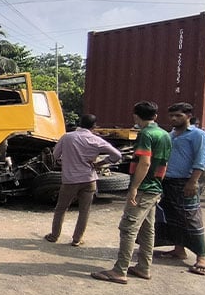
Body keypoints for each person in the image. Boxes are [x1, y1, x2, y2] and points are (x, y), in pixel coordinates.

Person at [91, 101, 171, 284]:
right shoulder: (164, 134)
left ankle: (120, 270)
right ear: (155, 116)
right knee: (147, 230)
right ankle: (143, 267)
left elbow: (145, 162)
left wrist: (134, 188)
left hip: (144, 188)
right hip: (156, 187)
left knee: (128, 229)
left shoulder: (146, 134)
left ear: (135, 116)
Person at [44, 114, 121, 246]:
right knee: (84, 210)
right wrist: (100, 163)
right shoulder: (96, 140)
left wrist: (65, 161)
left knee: (61, 208)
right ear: (94, 126)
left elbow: (55, 155)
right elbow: (117, 155)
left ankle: (54, 236)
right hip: (89, 179)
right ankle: (77, 239)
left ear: (80, 123)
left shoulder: (67, 137)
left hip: (70, 180)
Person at [154, 102, 205, 275]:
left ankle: (202, 256)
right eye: (171, 115)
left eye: (178, 115)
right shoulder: (171, 134)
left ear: (188, 116)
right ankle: (179, 249)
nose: (173, 119)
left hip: (186, 181)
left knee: (191, 217)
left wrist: (193, 182)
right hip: (169, 181)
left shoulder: (197, 135)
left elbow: (201, 160)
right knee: (172, 216)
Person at [190, 117, 205, 196]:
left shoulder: (174, 133)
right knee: (200, 184)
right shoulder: (200, 134)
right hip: (197, 166)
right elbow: (202, 156)